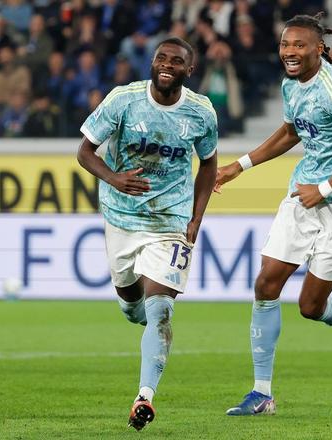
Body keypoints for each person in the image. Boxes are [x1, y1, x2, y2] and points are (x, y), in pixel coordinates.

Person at [215, 13, 332, 416]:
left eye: (299, 45)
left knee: (310, 306)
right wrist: (239, 166)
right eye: (285, 44)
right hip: (303, 194)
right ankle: (261, 393)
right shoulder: (291, 83)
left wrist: (323, 189)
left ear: (319, 48)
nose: (290, 52)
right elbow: (292, 132)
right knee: (266, 282)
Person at [76, 37, 218, 431]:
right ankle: (141, 320)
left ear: (189, 70)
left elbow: (209, 164)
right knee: (131, 306)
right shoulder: (123, 100)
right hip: (121, 217)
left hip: (171, 220)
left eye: (176, 61)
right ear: (152, 63)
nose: (167, 65)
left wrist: (196, 218)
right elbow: (85, 151)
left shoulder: (201, 112)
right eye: (161, 58)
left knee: (161, 310)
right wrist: (114, 178)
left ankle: (144, 397)